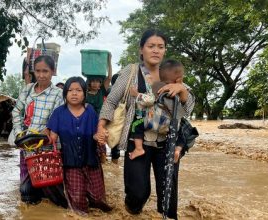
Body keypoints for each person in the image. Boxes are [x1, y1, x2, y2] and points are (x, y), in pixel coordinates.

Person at [96, 29, 195, 219]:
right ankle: (133, 209)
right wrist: (101, 126)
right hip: (138, 137)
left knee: (168, 194)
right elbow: (111, 101)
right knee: (138, 193)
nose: (156, 50)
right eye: (151, 46)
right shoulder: (130, 71)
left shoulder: (172, 71)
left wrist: (181, 89)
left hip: (168, 140)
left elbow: (188, 108)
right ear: (141, 49)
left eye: (160, 47)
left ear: (165, 50)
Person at [47, 77, 112, 215]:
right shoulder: (59, 112)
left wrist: (101, 137)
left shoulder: (91, 111)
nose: (74, 93)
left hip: (91, 161)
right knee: (77, 203)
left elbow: (96, 134)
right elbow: (52, 136)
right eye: (70, 90)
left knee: (98, 199)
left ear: (84, 93)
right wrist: (42, 140)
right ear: (65, 93)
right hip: (70, 163)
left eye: (78, 90)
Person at [11, 55, 67, 208]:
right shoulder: (27, 90)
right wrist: (19, 134)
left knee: (52, 189)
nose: (41, 75)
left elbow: (57, 118)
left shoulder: (58, 93)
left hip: (48, 149)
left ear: (53, 72)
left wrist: (47, 130)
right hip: (27, 147)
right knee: (26, 192)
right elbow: (16, 112)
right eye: (38, 71)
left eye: (45, 71)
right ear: (33, 71)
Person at [128, 59, 187, 160]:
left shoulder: (158, 87)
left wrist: (137, 94)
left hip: (155, 123)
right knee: (183, 131)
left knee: (135, 124)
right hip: (172, 127)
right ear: (179, 80)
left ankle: (138, 148)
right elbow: (184, 104)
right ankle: (177, 149)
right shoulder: (179, 91)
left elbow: (149, 100)